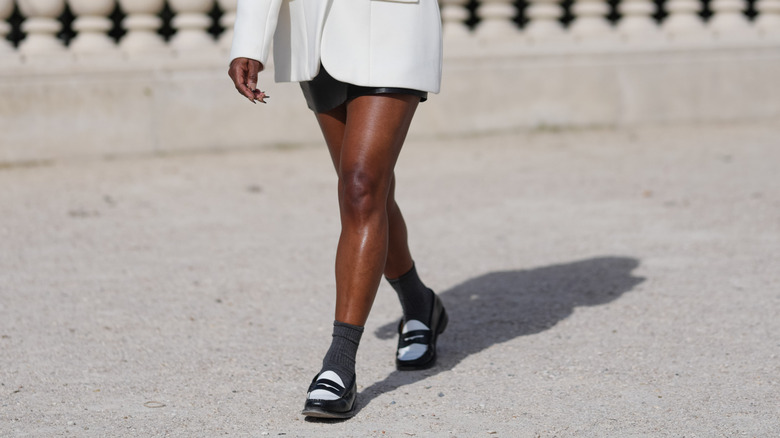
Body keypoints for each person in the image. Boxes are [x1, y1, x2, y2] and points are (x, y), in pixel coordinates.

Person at [227, 0, 448, 419]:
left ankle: (339, 362)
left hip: (394, 22)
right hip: (316, 34)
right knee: (364, 195)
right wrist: (250, 40)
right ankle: (420, 303)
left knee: (362, 187)